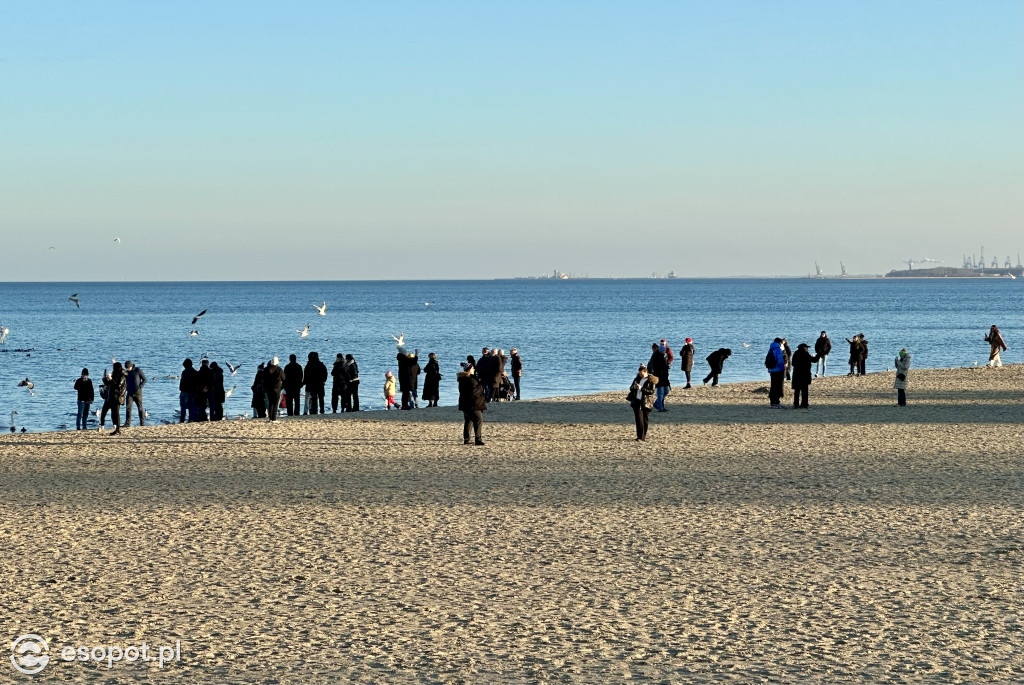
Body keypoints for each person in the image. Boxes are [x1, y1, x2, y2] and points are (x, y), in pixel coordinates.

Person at [457, 361, 486, 445]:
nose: (474, 369)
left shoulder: (463, 378)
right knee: (478, 419)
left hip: (465, 403)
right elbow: (475, 391)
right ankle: (478, 439)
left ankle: (466, 439)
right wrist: (481, 387)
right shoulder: (470, 379)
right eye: (472, 368)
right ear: (469, 370)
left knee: (468, 420)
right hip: (472, 403)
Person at [628, 364, 657, 441]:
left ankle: (643, 436)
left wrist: (641, 388)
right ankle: (639, 436)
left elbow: (651, 391)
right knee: (638, 419)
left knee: (645, 419)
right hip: (637, 400)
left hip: (646, 401)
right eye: (639, 373)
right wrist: (634, 387)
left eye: (642, 373)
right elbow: (631, 388)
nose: (641, 375)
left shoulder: (651, 380)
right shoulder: (637, 378)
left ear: (646, 372)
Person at [790, 343, 819, 409]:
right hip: (805, 374)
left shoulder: (796, 353)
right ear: (803, 348)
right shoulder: (805, 354)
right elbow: (814, 360)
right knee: (804, 390)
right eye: (806, 347)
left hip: (797, 374)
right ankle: (804, 404)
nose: (807, 349)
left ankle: (796, 404)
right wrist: (819, 355)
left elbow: (793, 363)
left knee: (797, 390)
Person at [647, 343, 670, 412]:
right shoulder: (656, 357)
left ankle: (657, 404)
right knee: (660, 393)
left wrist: (666, 367)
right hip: (659, 377)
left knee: (666, 391)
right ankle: (660, 407)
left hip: (664, 377)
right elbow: (656, 368)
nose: (664, 352)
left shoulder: (663, 356)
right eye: (664, 351)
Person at [123, 360, 147, 427]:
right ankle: (127, 424)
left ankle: (142, 423)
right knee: (128, 408)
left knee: (140, 408)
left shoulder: (138, 370)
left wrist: (140, 387)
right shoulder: (126, 372)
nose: (127, 369)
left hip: (138, 393)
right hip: (129, 393)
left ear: (131, 366)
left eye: (128, 368)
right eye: (126, 368)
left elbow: (144, 379)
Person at [106, 362, 127, 435]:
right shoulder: (115, 374)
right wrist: (107, 379)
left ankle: (118, 430)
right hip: (112, 396)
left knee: (116, 414)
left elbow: (118, 386)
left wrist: (111, 379)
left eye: (114, 367)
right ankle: (116, 429)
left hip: (117, 397)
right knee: (113, 414)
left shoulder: (121, 376)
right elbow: (110, 384)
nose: (113, 369)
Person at [262, 357, 286, 421]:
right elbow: (284, 379)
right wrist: (282, 387)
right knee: (275, 404)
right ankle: (274, 418)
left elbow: (263, 380)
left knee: (270, 403)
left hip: (269, 389)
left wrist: (265, 388)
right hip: (277, 389)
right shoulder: (279, 370)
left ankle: (270, 417)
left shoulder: (266, 369)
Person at [766, 338, 786, 408]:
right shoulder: (778, 350)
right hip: (778, 370)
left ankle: (772, 402)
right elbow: (780, 361)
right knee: (778, 387)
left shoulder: (771, 349)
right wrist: (783, 369)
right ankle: (776, 402)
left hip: (772, 370)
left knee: (773, 386)